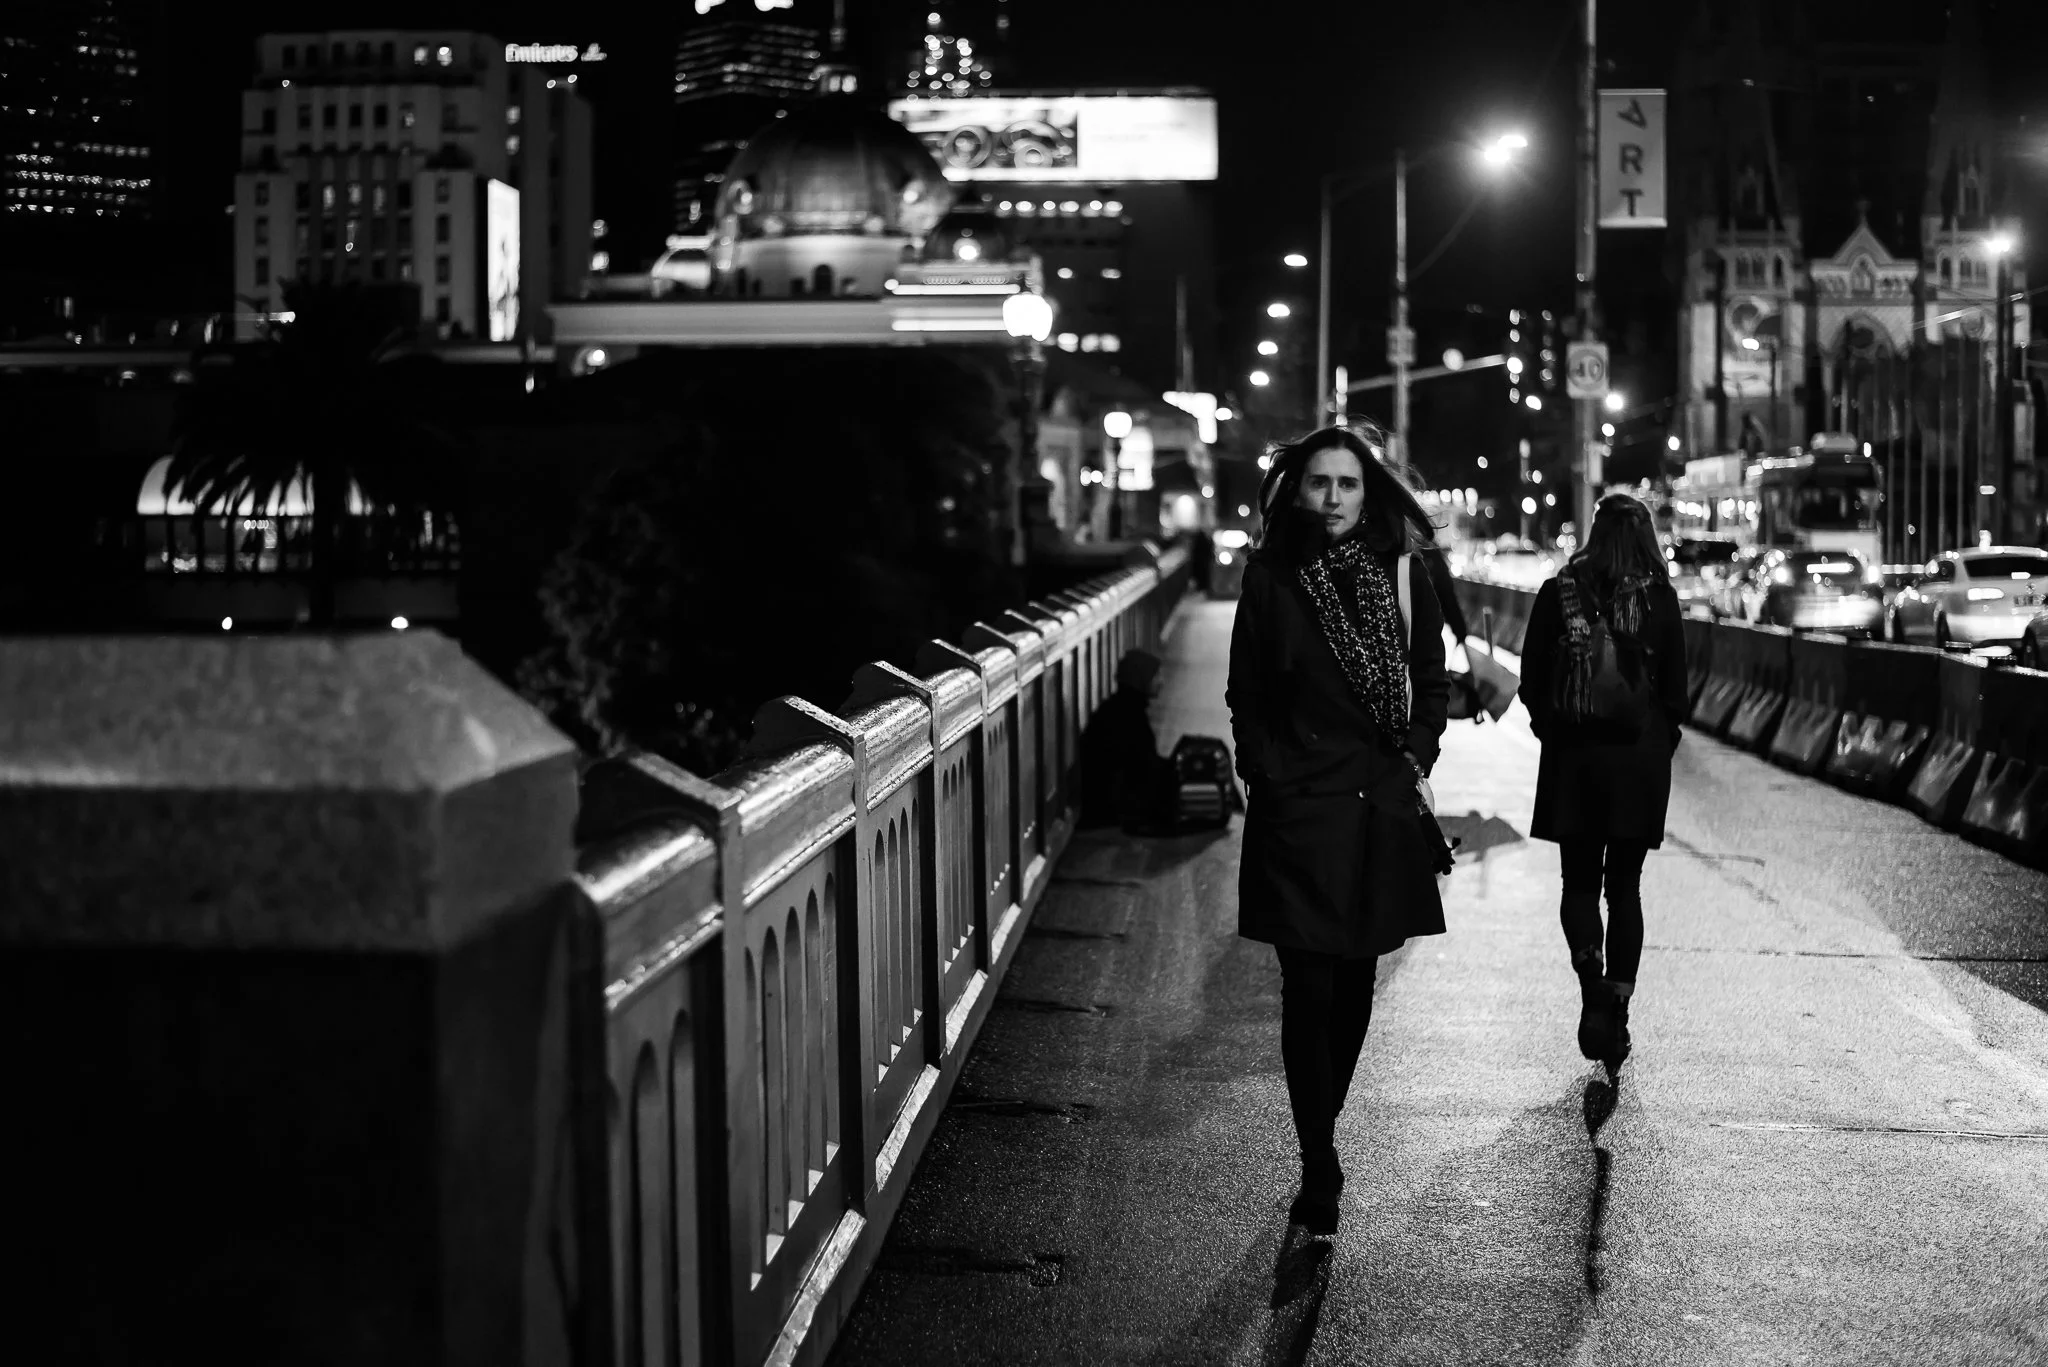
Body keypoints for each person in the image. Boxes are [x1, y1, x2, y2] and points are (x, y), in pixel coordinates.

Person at [1226, 422, 1451, 1237]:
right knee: (1309, 985)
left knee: (1356, 984)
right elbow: (1246, 690)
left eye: (1347, 484)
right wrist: (1265, 766)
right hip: (1299, 806)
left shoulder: (1402, 573)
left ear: (1369, 492)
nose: (1331, 498)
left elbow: (1431, 684)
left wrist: (1415, 757)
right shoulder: (1272, 576)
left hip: (1377, 803)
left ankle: (1319, 1140)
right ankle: (1318, 1160)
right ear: (1297, 488)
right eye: (1319, 482)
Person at [1519, 493, 1689, 1072]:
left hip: (1574, 759)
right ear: (1645, 538)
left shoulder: (1557, 591)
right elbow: (1676, 694)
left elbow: (1531, 683)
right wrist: (1657, 746)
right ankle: (1616, 1006)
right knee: (1625, 888)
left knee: (1578, 883)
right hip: (1637, 764)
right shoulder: (1660, 600)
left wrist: (1557, 733)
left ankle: (1591, 980)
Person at [1078, 649, 1176, 833]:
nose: (1161, 682)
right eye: (1156, 676)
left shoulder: (1117, 709)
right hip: (1113, 813)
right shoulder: (1129, 718)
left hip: (1103, 806)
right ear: (1141, 679)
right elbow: (1145, 768)